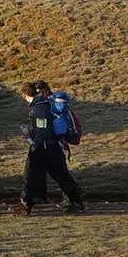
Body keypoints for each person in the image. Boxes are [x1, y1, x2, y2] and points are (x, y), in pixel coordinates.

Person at [19, 81, 85, 215]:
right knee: (62, 176)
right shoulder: (49, 104)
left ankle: (26, 205)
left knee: (30, 175)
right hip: (55, 145)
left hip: (43, 146)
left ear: (24, 95)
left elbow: (42, 128)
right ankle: (76, 202)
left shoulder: (38, 107)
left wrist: (34, 143)